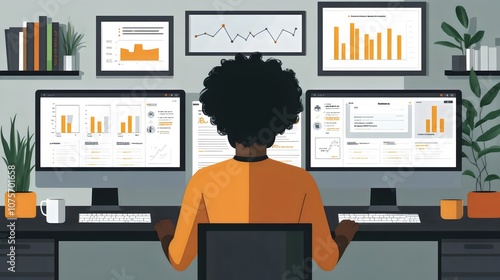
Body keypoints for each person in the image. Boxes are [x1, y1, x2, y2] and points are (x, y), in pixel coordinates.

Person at [155, 52, 359, 271]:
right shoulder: (301, 182)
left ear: (222, 117)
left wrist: (166, 233)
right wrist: (343, 236)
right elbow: (327, 261)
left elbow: (179, 261)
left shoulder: (204, 182)